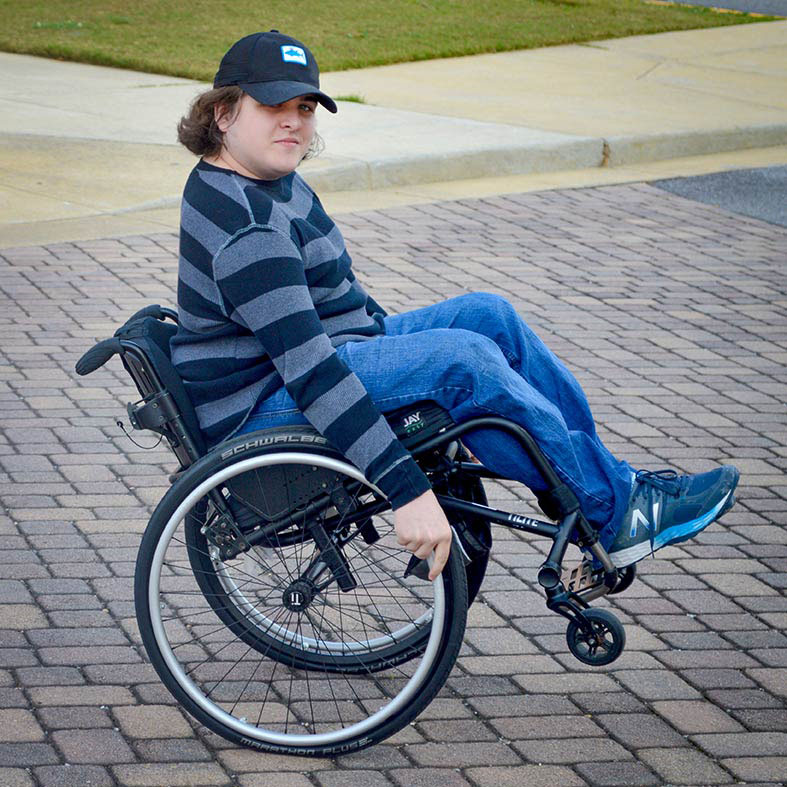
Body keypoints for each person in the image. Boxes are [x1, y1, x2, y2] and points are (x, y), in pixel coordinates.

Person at [171, 31, 739, 581]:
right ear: (223, 114)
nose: (293, 121)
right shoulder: (250, 233)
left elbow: (340, 305)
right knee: (462, 362)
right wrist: (409, 491)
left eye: (305, 106)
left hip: (324, 354)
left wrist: (402, 359)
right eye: (273, 104)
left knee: (489, 316)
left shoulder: (266, 178)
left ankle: (601, 495)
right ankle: (612, 509)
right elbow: (313, 373)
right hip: (270, 400)